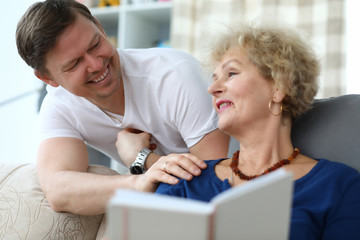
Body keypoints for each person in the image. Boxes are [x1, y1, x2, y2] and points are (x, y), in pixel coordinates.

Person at [15, 0, 229, 215]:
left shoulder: (174, 76)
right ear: (47, 78)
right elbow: (58, 191)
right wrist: (139, 182)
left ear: (99, 27)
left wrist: (141, 158)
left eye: (95, 45)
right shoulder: (60, 106)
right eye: (74, 64)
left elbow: (212, 186)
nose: (97, 65)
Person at [155, 24, 360, 239]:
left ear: (279, 87)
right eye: (214, 78)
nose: (212, 89)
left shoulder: (337, 185)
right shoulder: (184, 180)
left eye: (231, 73)